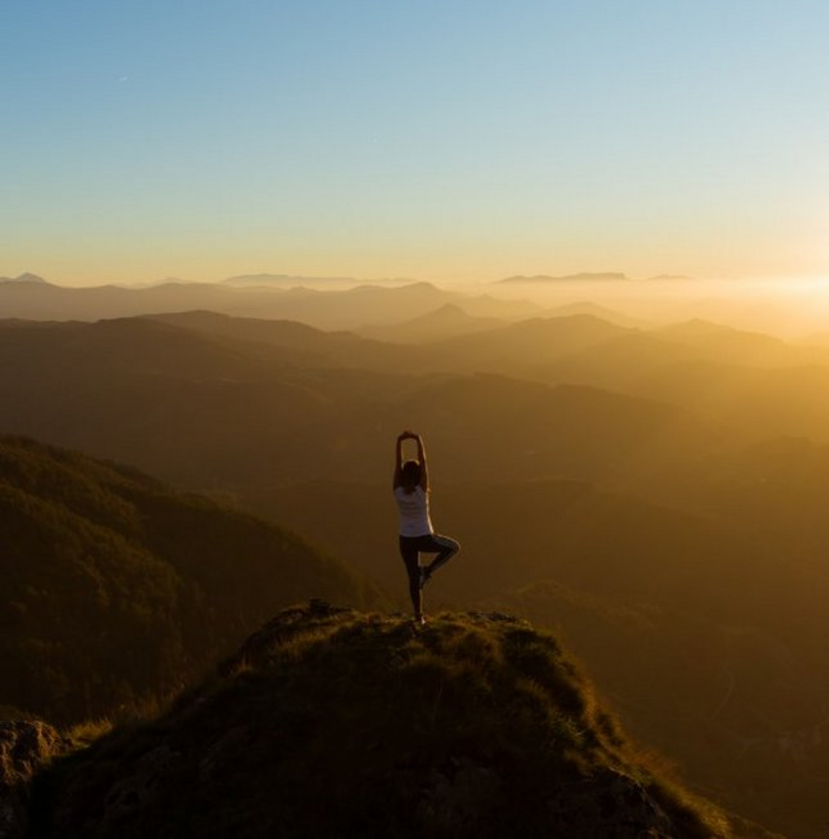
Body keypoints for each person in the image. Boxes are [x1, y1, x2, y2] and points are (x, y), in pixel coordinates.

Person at [393, 430, 460, 624]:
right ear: (418, 475)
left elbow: (398, 465)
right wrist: (418, 439)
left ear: (404, 474)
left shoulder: (397, 491)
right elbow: (424, 462)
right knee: (454, 548)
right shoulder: (421, 492)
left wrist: (399, 442)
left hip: (405, 540)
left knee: (412, 580)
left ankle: (418, 616)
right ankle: (428, 571)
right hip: (424, 537)